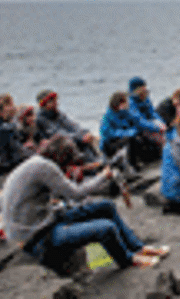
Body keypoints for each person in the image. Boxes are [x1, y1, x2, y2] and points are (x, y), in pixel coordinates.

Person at [1, 135, 169, 273]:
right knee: (106, 228)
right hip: (36, 237)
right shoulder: (45, 168)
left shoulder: (38, 162)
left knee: (106, 207)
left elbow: (61, 195)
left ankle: (138, 247)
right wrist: (103, 176)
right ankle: (128, 259)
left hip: (43, 221)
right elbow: (76, 193)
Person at [36, 90, 103, 164]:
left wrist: (85, 133)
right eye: (51, 101)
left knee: (84, 137)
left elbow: (73, 126)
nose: (56, 103)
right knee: (72, 142)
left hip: (70, 140)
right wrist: (80, 138)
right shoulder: (41, 119)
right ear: (44, 104)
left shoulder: (58, 114)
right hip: (56, 147)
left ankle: (95, 160)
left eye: (55, 100)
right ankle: (89, 164)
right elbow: (59, 135)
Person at [99, 91, 162, 170]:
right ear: (119, 103)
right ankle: (132, 165)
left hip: (125, 137)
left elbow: (138, 122)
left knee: (142, 135)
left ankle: (151, 156)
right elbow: (108, 133)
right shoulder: (107, 117)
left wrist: (156, 127)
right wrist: (128, 133)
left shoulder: (126, 112)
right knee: (131, 139)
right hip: (110, 144)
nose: (128, 103)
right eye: (126, 101)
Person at [0, 94, 34, 172]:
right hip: (8, 169)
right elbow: (19, 155)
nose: (13, 107)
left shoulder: (8, 127)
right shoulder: (6, 130)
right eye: (10, 105)